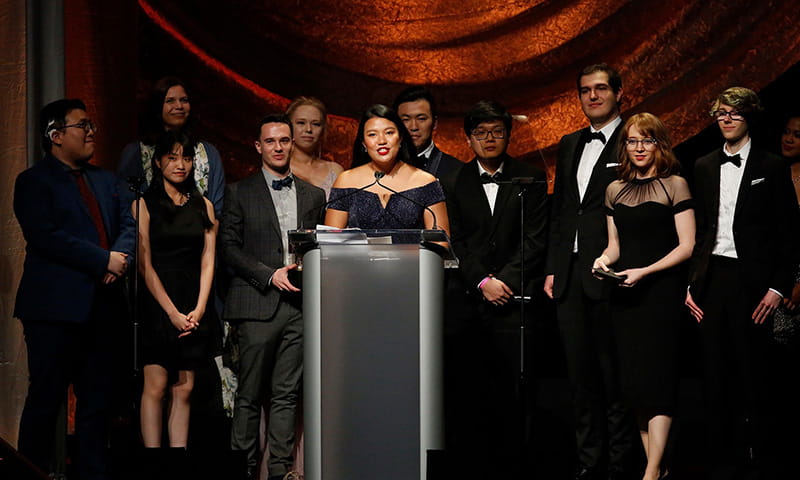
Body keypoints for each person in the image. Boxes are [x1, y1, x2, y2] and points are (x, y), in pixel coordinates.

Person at [14, 99, 135, 480]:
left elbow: (128, 225)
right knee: (45, 400)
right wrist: (102, 261)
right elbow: (46, 237)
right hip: (54, 310)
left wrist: (119, 257)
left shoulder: (106, 180)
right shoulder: (33, 181)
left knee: (97, 404)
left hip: (103, 308)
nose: (91, 132)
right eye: (82, 125)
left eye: (90, 125)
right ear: (55, 135)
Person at [685, 87, 798, 478]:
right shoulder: (703, 165)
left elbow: (789, 234)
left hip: (753, 284)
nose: (727, 119)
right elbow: (701, 232)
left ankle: (758, 457)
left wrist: (778, 288)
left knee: (754, 373)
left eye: (734, 113)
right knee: (712, 372)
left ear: (750, 117)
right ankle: (718, 456)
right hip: (712, 279)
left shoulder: (772, 166)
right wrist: (691, 284)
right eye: (721, 113)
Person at [443, 100, 548, 477]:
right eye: (481, 133)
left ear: (508, 135)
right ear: (468, 138)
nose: (489, 139)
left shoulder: (531, 177)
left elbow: (535, 239)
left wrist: (506, 280)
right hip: (468, 302)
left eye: (497, 132)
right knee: (469, 392)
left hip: (515, 301)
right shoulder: (453, 180)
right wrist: (483, 282)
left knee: (517, 393)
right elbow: (454, 240)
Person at [544, 63, 637, 480]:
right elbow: (563, 209)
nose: (593, 96)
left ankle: (620, 464)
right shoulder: (570, 142)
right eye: (585, 90)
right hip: (569, 274)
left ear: (619, 93)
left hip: (613, 273)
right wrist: (553, 268)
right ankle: (588, 462)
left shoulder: (634, 137)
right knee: (579, 376)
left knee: (614, 374)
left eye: (601, 88)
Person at [221, 114, 325, 480]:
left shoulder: (314, 195)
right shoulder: (239, 192)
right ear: (258, 146)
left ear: (292, 143)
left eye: (284, 140)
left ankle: (280, 470)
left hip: (298, 304)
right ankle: (243, 469)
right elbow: (228, 247)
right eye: (270, 141)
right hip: (256, 302)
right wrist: (269, 275)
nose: (278, 147)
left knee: (286, 394)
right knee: (249, 394)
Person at [592, 113, 695, 480]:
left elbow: (687, 246)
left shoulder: (675, 185)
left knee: (659, 381)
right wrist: (603, 261)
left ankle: (650, 472)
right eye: (632, 141)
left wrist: (646, 272)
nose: (639, 148)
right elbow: (615, 246)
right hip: (625, 297)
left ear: (658, 144)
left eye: (646, 140)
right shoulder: (614, 189)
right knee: (634, 386)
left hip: (660, 295)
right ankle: (658, 469)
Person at [134, 131, 219, 464]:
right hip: (158, 302)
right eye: (172, 157)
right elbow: (144, 263)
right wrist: (171, 312)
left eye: (186, 158)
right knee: (156, 385)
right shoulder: (144, 203)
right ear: (158, 162)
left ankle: (178, 465)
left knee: (184, 388)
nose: (180, 164)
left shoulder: (203, 204)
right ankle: (153, 464)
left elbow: (208, 260)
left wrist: (199, 308)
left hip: (193, 300)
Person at [325, 104, 449, 233]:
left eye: (389, 133)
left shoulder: (425, 182)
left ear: (400, 138)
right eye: (372, 134)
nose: (382, 141)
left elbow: (440, 240)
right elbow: (330, 239)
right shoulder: (346, 181)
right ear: (364, 143)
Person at [118, 76, 225, 216]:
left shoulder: (209, 153)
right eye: (170, 101)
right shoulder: (135, 152)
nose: (179, 106)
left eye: (184, 100)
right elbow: (126, 209)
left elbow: (217, 211)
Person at [392, 86, 463, 178]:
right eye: (406, 119)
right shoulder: (382, 166)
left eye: (421, 119)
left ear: (435, 123)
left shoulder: (457, 170)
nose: (413, 127)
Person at [285, 96, 343, 198]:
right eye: (301, 123)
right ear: (288, 126)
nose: (308, 129)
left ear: (323, 129)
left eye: (316, 124)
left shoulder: (335, 171)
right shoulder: (278, 168)